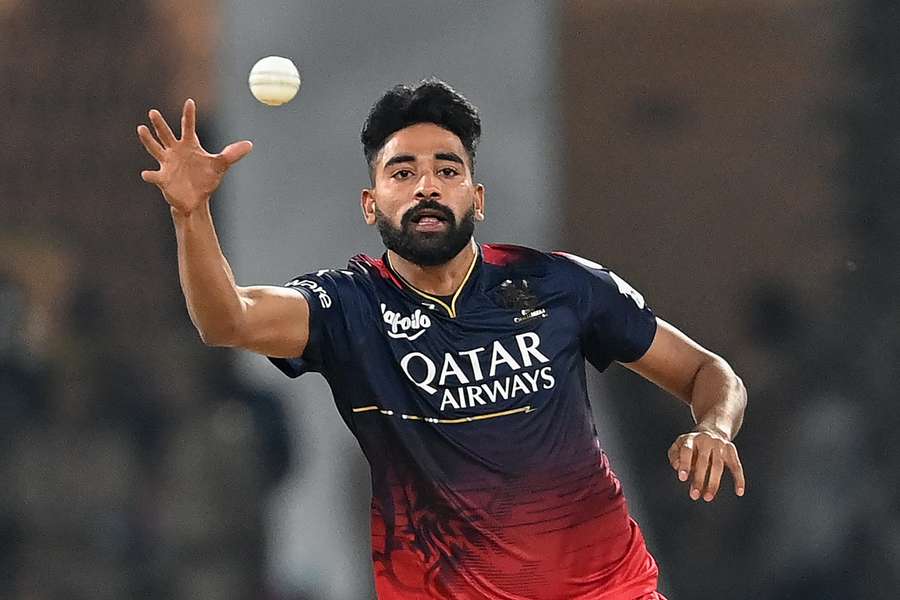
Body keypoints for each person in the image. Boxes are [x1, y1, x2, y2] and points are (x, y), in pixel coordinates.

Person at [137, 80, 747, 600]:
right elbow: (228, 320)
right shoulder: (349, 306)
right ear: (370, 205)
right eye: (403, 172)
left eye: (446, 170)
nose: (426, 186)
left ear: (476, 199)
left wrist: (713, 428)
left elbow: (708, 373)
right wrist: (191, 213)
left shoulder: (558, 284)